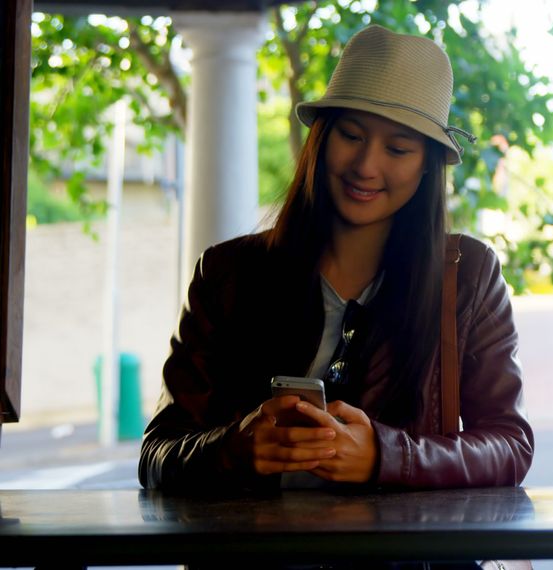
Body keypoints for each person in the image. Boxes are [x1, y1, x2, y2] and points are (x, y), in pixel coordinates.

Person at [139, 25, 533, 493]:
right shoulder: (226, 273)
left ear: (427, 163)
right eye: (351, 135)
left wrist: (387, 457)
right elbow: (157, 454)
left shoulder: (468, 275)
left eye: (398, 148)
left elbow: (511, 445)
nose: (366, 165)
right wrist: (235, 449)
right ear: (320, 139)